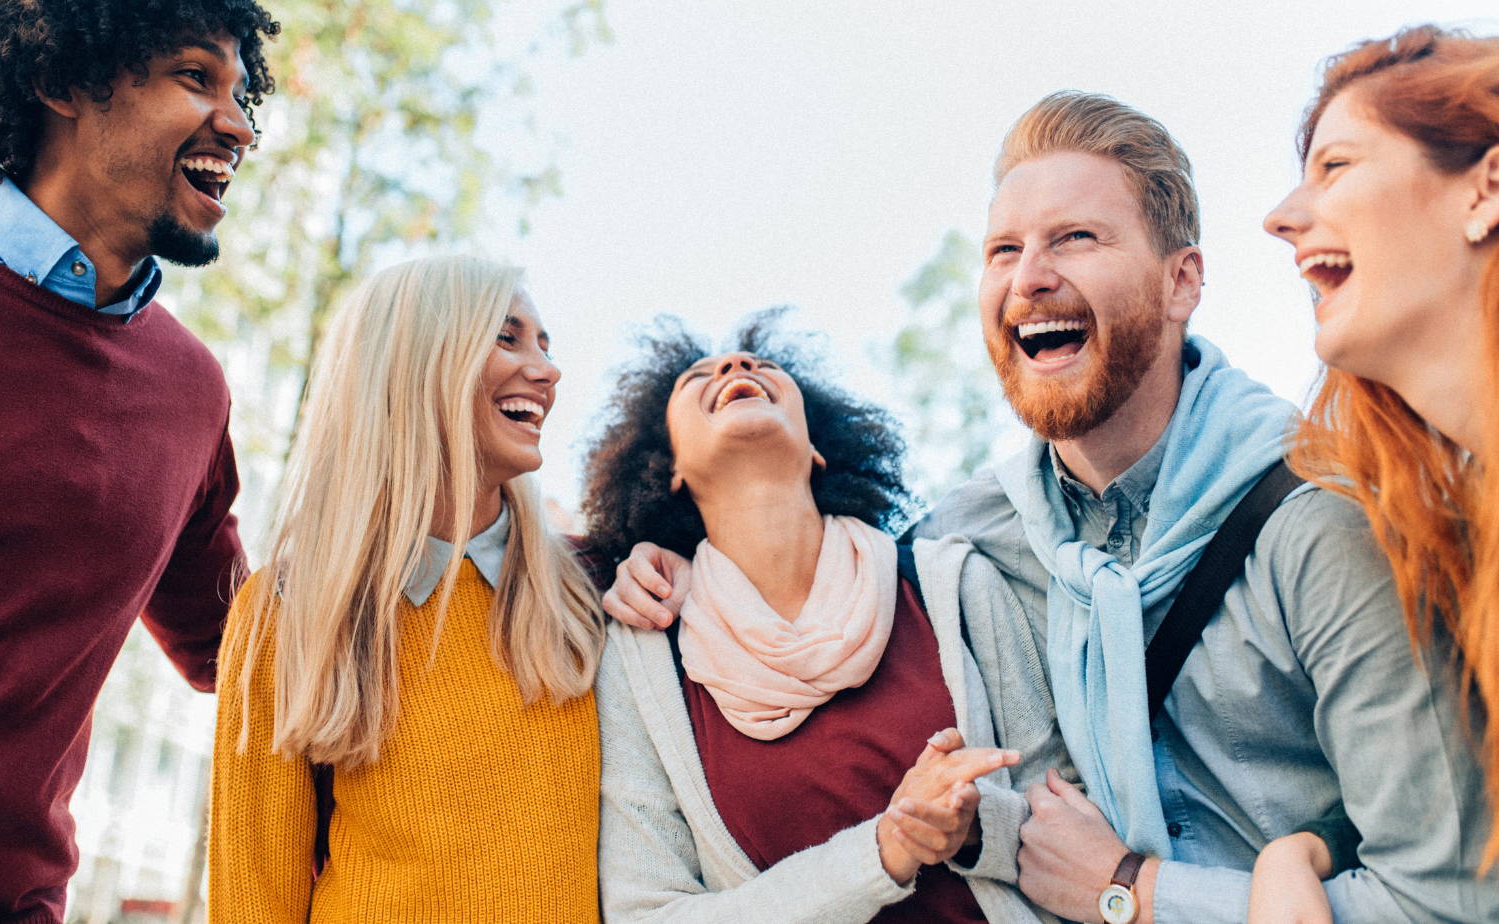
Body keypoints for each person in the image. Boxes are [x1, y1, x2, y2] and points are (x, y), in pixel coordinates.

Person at [606, 91, 1498, 922]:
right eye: (1003, 251)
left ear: (1182, 282)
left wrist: (1133, 893)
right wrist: (665, 559)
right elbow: (808, 571)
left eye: (1075, 239)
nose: (1028, 278)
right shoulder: (972, 542)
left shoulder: (1328, 519)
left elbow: (1446, 901)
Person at [0, 1, 278, 920]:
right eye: (196, 78)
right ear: (62, 82)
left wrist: (594, 579)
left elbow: (245, 649)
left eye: (241, 93)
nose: (241, 125)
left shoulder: (192, 391)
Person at [582, 311, 1061, 922]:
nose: (735, 368)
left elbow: (1062, 798)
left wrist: (973, 828)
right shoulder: (642, 655)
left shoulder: (950, 584)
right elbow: (646, 914)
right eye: (697, 378)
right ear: (665, 468)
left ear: (817, 446)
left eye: (763, 368)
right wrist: (883, 852)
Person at [209, 256, 605, 922]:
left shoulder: (590, 592)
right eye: (506, 338)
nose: (546, 369)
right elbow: (252, 897)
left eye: (544, 344)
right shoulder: (286, 610)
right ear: (416, 362)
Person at [1262, 23, 1499, 886]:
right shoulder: (1454, 530)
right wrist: (1319, 841)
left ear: (1488, 186)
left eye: (1337, 167)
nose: (1282, 218)